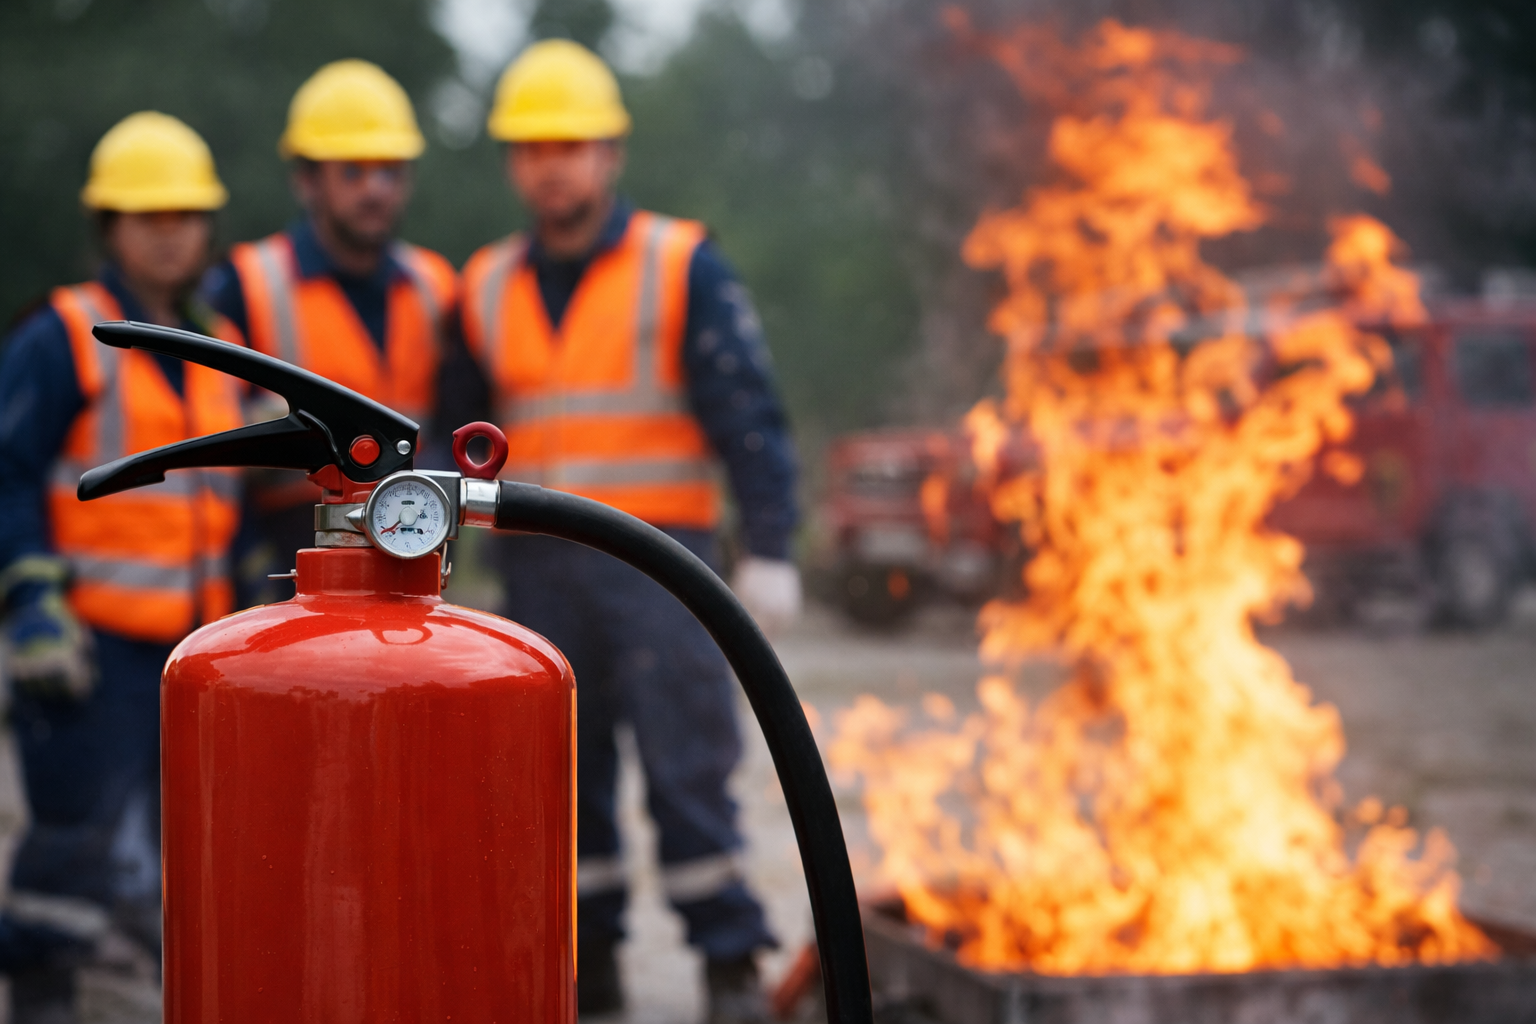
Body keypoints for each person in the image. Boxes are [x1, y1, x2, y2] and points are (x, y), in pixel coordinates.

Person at [448, 39, 803, 1023]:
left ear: (611, 154)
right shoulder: (481, 285)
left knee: (689, 768)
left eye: (571, 143)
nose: (551, 163)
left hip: (665, 567)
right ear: (513, 163)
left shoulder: (680, 263)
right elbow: (451, 431)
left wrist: (770, 546)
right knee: (563, 782)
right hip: (539, 572)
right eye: (531, 146)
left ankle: (729, 964)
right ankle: (588, 964)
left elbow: (748, 412)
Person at [0, 112, 243, 953]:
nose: (172, 237)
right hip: (94, 649)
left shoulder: (223, 348)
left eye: (185, 217)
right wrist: (32, 604)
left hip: (196, 650)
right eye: (151, 218)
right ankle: (44, 1004)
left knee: (170, 858)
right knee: (71, 847)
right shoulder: (63, 334)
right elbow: (8, 475)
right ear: (110, 224)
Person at [204, 60, 456, 604]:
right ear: (305, 180)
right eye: (352, 171)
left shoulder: (436, 287)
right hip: (289, 560)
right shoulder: (246, 285)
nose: (375, 190)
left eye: (390, 171)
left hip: (410, 553)